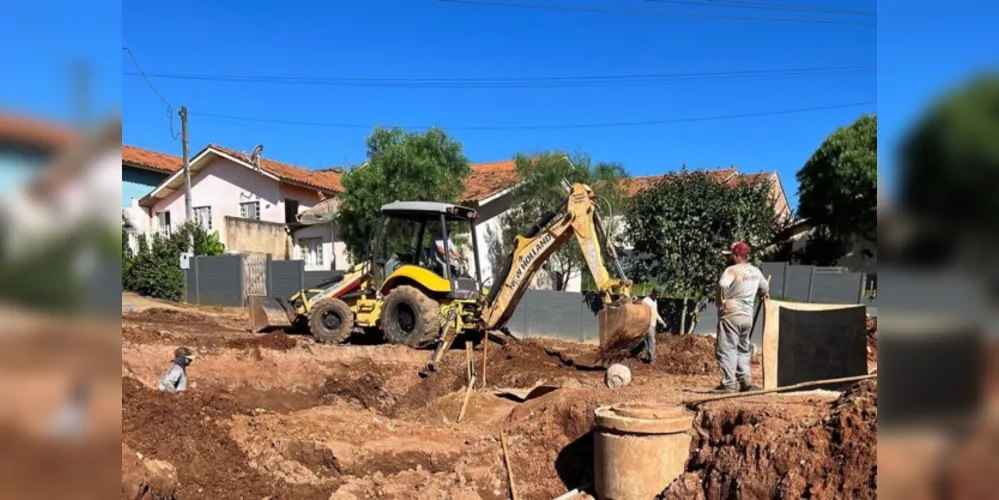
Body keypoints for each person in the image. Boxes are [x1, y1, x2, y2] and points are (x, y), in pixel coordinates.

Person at [714, 242, 769, 393]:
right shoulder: (756, 271)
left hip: (732, 315)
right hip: (747, 317)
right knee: (743, 348)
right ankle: (745, 382)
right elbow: (765, 287)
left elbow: (722, 284)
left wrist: (720, 302)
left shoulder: (731, 270)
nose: (729, 257)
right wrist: (763, 293)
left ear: (737, 255)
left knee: (727, 348)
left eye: (731, 254)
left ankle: (729, 384)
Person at [640, 287, 668, 363]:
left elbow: (655, 313)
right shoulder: (645, 301)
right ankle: (651, 358)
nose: (657, 296)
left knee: (648, 340)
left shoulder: (655, 301)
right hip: (647, 324)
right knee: (652, 340)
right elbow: (642, 313)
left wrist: (661, 321)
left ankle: (648, 356)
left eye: (658, 295)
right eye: (656, 294)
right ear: (652, 293)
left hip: (653, 323)